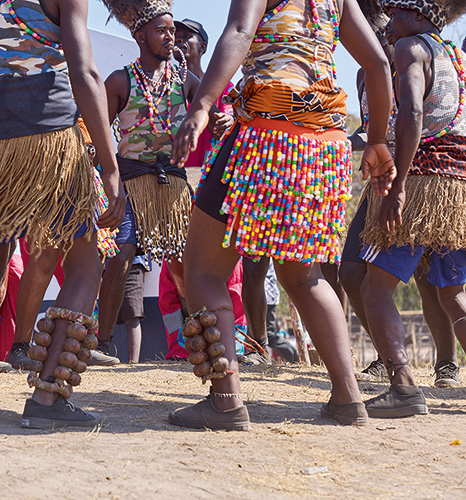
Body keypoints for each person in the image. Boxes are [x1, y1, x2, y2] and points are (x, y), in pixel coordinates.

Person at [169, 0, 395, 430]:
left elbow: (239, 31)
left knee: (203, 271)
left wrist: (201, 106)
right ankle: (348, 398)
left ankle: (225, 401)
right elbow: (379, 63)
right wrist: (379, 139)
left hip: (265, 140)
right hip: (323, 147)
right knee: (303, 277)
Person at [0, 0, 124, 428]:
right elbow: (85, 71)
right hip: (48, 131)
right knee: (85, 265)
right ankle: (48, 397)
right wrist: (110, 166)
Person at [339, 0, 459, 388]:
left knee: (376, 286)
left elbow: (411, 113)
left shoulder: (412, 49)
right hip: (453, 188)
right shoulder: (454, 56)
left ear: (421, 17)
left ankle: (405, 384)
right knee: (454, 295)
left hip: (417, 179)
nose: (390, 25)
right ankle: (395, 364)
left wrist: (399, 186)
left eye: (397, 16)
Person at [96, 0, 199, 366]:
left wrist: (211, 123)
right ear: (141, 36)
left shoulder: (185, 81)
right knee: (120, 256)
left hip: (172, 185)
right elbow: (99, 132)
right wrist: (107, 177)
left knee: (186, 264)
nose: (171, 36)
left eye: (172, 30)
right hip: (131, 182)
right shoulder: (120, 80)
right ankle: (102, 344)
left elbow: (211, 111)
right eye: (162, 30)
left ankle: (200, 341)